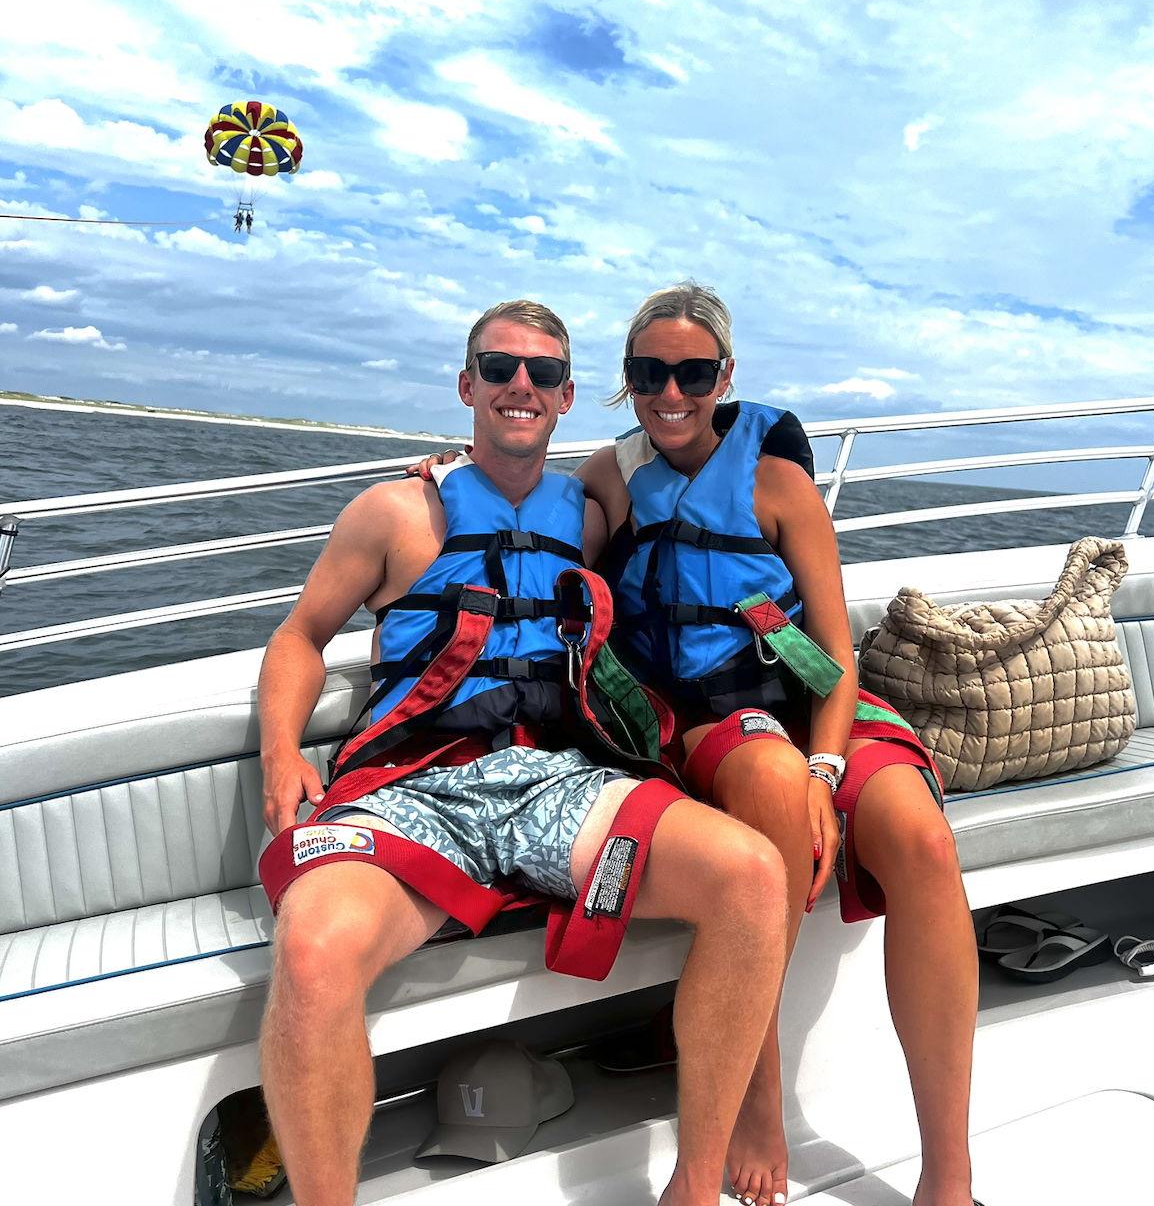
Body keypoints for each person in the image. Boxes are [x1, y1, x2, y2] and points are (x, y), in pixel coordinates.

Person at [413, 282, 980, 1206]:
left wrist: (827, 767)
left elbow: (836, 657)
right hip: (714, 715)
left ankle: (948, 1177)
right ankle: (759, 1102)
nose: (669, 394)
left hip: (818, 705)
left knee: (923, 841)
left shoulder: (777, 482)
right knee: (770, 779)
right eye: (648, 374)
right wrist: (449, 478)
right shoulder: (611, 475)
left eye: (692, 374)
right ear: (625, 380)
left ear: (726, 376)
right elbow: (529, 512)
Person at [256, 299, 792, 1206]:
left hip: (551, 782)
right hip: (417, 785)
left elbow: (690, 486)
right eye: (499, 368)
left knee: (752, 878)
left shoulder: (588, 516)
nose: (520, 386)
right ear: (467, 385)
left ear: (567, 396)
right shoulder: (395, 512)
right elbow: (299, 638)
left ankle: (694, 1188)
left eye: (542, 374)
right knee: (311, 948)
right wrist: (282, 753)